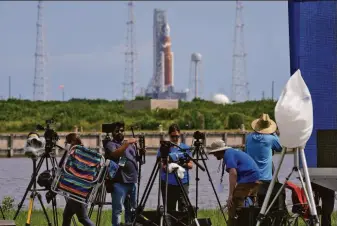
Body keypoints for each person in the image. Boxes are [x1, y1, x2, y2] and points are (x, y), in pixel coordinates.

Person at [208, 140, 261, 226]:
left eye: (214, 152)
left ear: (219, 151)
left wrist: (230, 195)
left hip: (248, 180)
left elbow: (233, 173)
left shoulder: (228, 155)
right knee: (249, 208)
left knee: (233, 205)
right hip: (254, 179)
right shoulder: (232, 152)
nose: (214, 155)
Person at [104, 122, 138, 226]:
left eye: (122, 130)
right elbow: (115, 154)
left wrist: (140, 151)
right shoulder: (110, 144)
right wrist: (127, 144)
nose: (120, 133)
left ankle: (130, 224)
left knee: (132, 209)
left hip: (132, 182)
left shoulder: (130, 146)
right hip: (119, 183)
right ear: (112, 133)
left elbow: (123, 161)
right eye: (117, 131)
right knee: (117, 210)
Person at [156, 123, 193, 212]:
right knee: (169, 210)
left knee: (183, 209)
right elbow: (159, 164)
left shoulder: (185, 148)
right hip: (168, 183)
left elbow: (191, 165)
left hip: (183, 183)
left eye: (177, 136)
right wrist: (166, 167)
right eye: (173, 137)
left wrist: (180, 164)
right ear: (169, 136)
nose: (175, 139)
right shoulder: (164, 148)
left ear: (179, 134)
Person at [62, 133, 95, 226]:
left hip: (78, 190)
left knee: (83, 219)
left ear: (72, 142)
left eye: (67, 142)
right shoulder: (84, 152)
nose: (66, 145)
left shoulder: (75, 153)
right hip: (80, 189)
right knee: (66, 215)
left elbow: (68, 169)